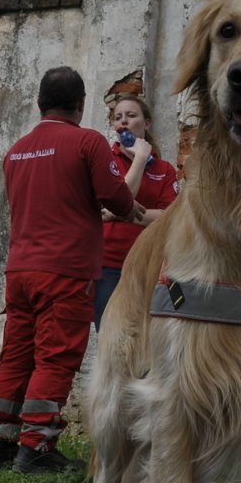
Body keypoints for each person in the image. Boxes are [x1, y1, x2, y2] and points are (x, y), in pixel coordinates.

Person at [0, 67, 142, 475]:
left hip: (20, 269)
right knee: (55, 357)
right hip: (66, 270)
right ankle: (37, 447)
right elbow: (115, 196)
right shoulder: (86, 141)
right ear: (81, 104)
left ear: (39, 103)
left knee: (15, 357)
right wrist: (132, 207)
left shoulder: (16, 150)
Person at [93, 95, 179, 328]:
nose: (124, 122)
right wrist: (141, 157)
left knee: (148, 339)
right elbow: (121, 198)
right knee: (112, 335)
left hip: (149, 263)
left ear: (147, 123)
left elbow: (168, 218)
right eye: (118, 117)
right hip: (109, 265)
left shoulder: (164, 169)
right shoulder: (105, 159)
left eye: (131, 116)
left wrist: (117, 214)